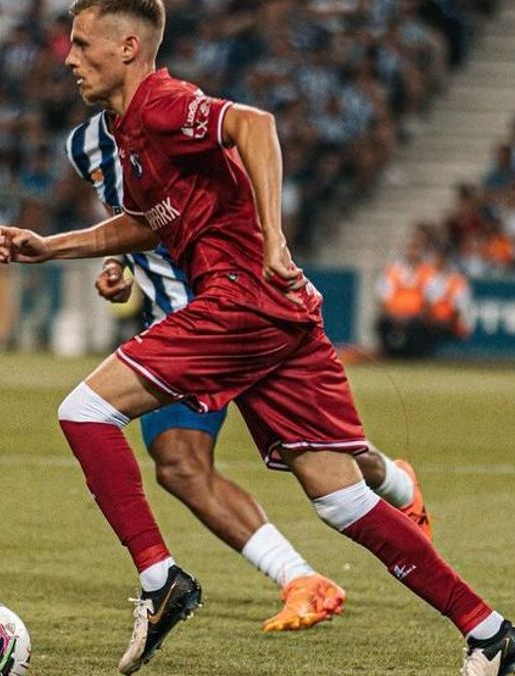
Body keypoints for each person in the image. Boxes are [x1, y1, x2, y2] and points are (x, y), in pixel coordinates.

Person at [0, 0, 515, 675]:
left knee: (85, 411)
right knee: (340, 498)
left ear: (128, 47)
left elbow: (256, 124)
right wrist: (50, 246)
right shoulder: (126, 132)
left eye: (82, 43)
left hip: (240, 298)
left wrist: (274, 238)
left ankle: (161, 582)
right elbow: (147, 223)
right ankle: (489, 631)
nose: (70, 58)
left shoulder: (158, 102)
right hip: (280, 312)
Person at [66, 110, 431, 633]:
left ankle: (396, 483)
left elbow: (227, 183)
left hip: (240, 313)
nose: (106, 181)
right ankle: (300, 578)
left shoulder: (168, 121)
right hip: (180, 328)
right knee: (179, 463)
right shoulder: (102, 156)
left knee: (322, 461)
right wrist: (116, 266)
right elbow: (138, 224)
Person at [376, 235, 437, 357]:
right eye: (411, 248)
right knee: (381, 323)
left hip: (416, 317)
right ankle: (389, 354)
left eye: (416, 248)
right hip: (394, 315)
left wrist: (412, 316)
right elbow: (383, 297)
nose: (413, 252)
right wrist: (394, 315)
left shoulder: (428, 272)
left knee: (419, 327)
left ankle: (414, 355)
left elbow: (430, 300)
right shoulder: (393, 271)